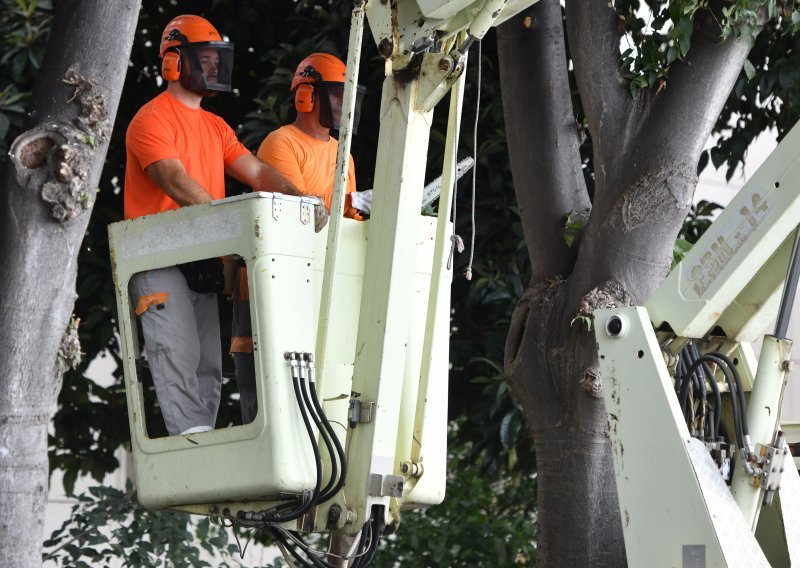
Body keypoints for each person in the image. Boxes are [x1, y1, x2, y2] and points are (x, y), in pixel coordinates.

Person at [124, 14, 313, 436]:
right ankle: (192, 445)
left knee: (208, 363)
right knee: (176, 351)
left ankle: (204, 451)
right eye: (204, 59)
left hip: (201, 256)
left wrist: (304, 202)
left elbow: (259, 173)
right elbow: (175, 181)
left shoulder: (215, 126)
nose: (213, 68)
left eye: (216, 59)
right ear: (173, 63)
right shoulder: (151, 119)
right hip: (159, 258)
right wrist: (228, 235)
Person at [228, 53, 365, 424]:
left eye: (346, 96)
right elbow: (300, 213)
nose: (343, 105)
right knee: (271, 376)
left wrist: (363, 210)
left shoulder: (343, 154)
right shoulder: (281, 142)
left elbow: (346, 220)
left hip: (321, 277)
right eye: (335, 95)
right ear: (307, 96)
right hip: (277, 276)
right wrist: (349, 202)